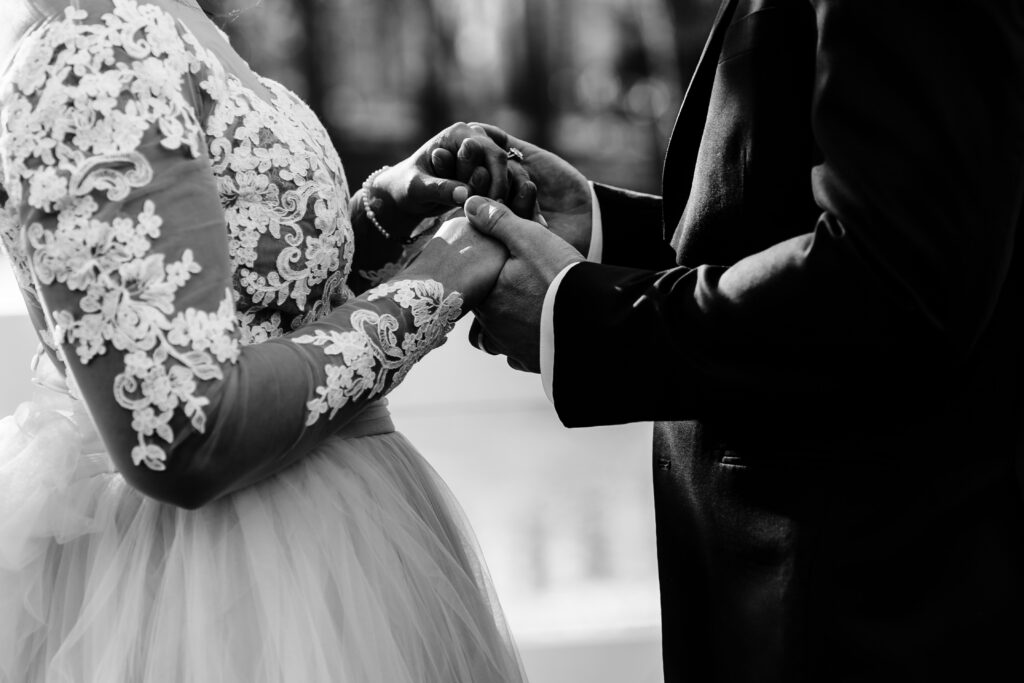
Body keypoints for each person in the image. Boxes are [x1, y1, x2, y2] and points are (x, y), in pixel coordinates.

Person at [460, 0, 1024, 680]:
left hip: (872, 610)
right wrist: (601, 235)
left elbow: (892, 281)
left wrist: (583, 315)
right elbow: (821, 218)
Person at [0, 0, 527, 680]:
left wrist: (382, 216)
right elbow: (184, 428)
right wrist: (438, 281)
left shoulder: (176, 19)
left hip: (334, 540)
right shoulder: (93, 48)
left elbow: (252, 302)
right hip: (211, 584)